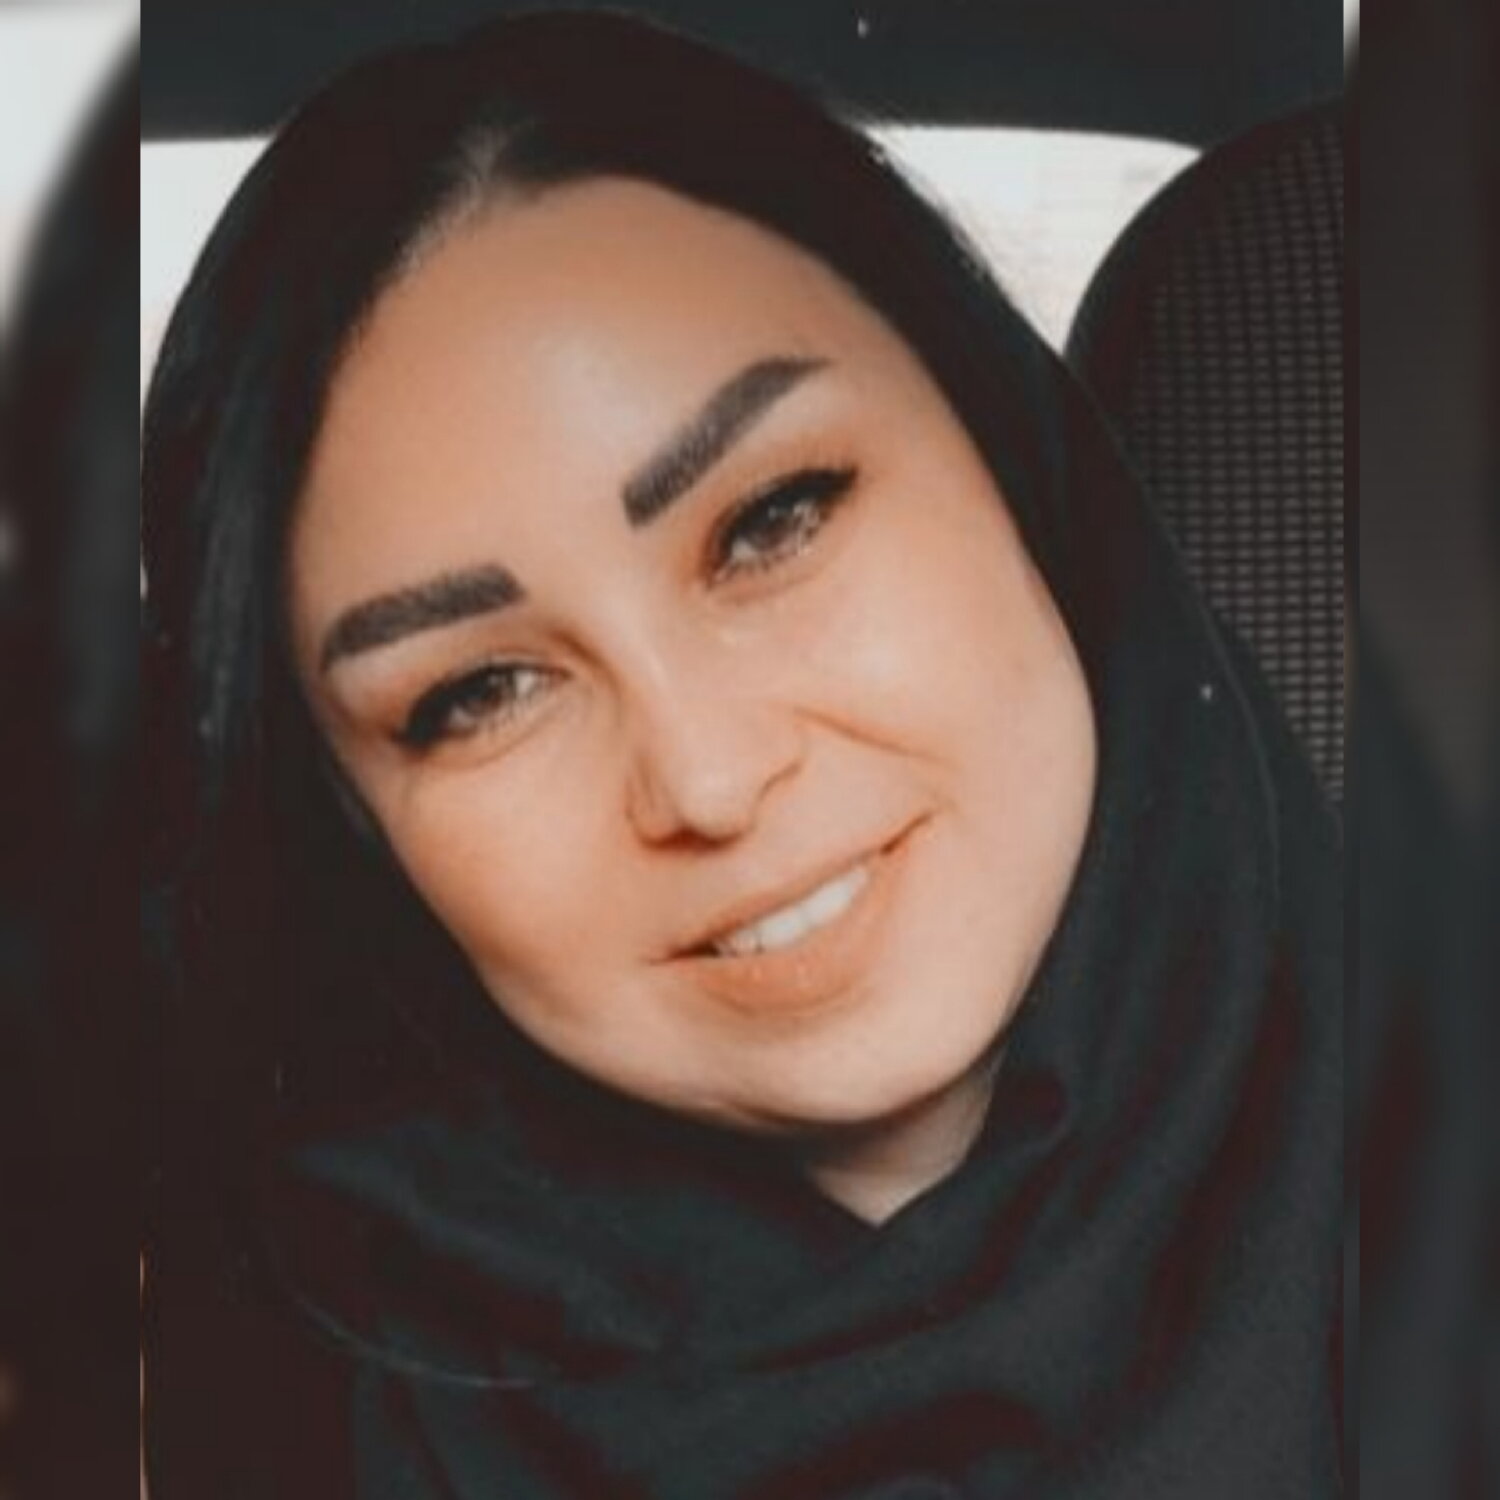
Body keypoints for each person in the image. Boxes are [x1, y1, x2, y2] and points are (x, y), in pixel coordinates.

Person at [141, 13, 1342, 1498]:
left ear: (1015, 460)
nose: (707, 780)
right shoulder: (231, 1408)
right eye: (480, 693)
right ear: (353, 823)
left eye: (774, 522)